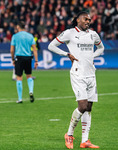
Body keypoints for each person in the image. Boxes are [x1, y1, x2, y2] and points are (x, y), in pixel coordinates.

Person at [48, 11, 104, 149]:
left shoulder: (93, 34)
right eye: (85, 19)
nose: (88, 21)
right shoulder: (69, 33)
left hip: (91, 74)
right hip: (78, 74)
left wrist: (92, 56)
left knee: (89, 108)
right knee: (83, 106)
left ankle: (85, 140)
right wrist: (66, 54)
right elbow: (51, 46)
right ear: (78, 20)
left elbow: (101, 48)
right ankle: (69, 134)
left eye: (89, 20)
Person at [10, 21, 38, 103]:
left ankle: (20, 98)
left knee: (19, 77)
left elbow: (12, 50)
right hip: (28, 58)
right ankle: (31, 91)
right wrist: (36, 61)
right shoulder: (30, 36)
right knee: (29, 76)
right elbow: (35, 49)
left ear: (18, 27)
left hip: (19, 57)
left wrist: (12, 59)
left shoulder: (15, 36)